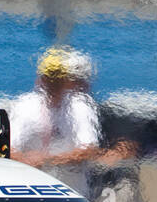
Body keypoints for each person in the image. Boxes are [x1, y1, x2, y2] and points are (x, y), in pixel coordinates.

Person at [9, 46, 102, 175]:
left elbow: (88, 149)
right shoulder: (25, 104)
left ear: (67, 81)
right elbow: (9, 148)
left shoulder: (79, 106)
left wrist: (48, 160)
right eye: (49, 78)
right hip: (33, 181)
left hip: (70, 187)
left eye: (58, 79)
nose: (53, 83)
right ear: (40, 79)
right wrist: (26, 161)